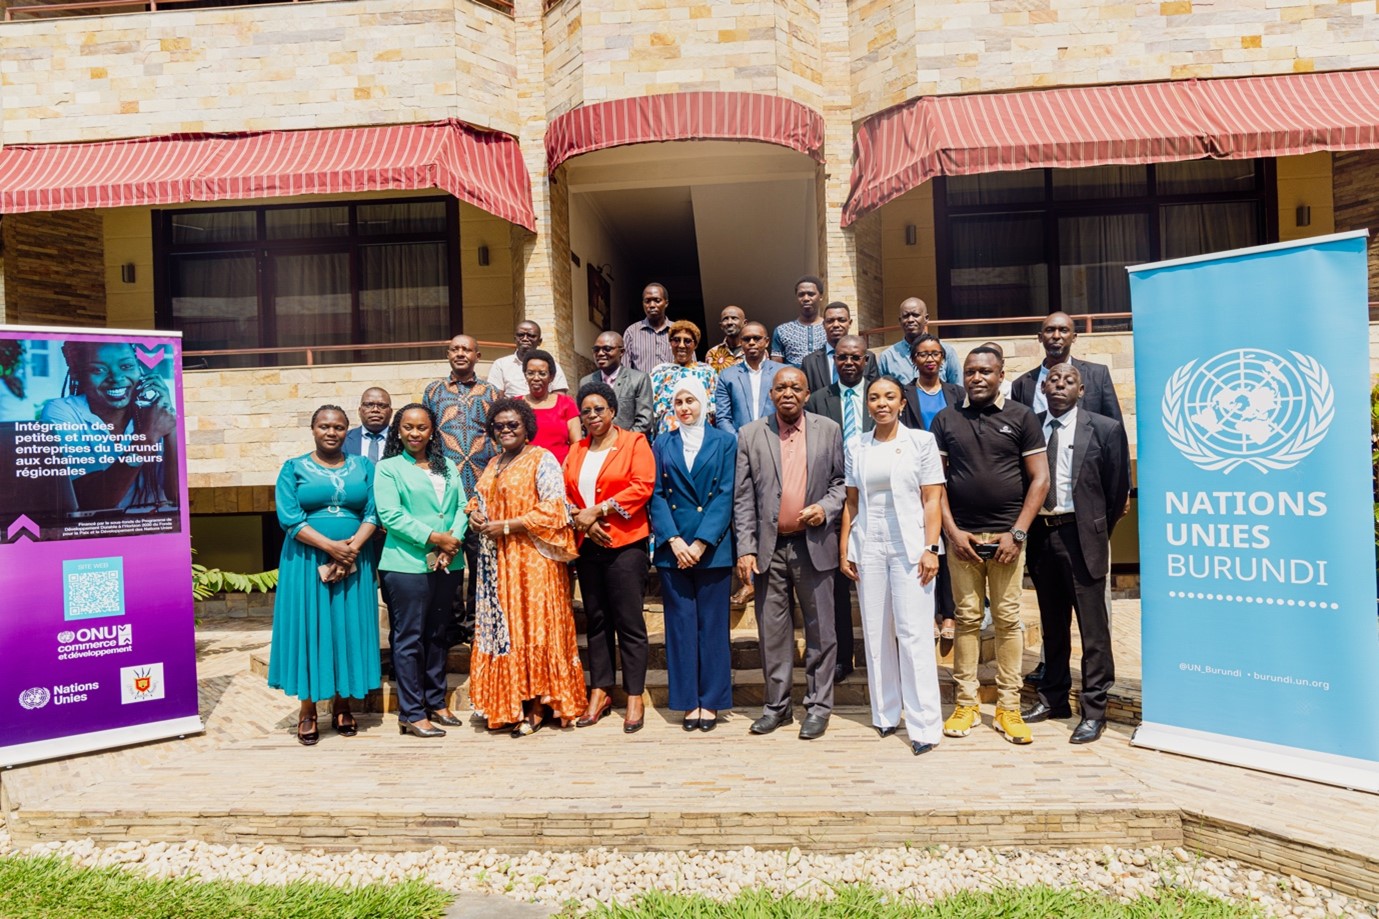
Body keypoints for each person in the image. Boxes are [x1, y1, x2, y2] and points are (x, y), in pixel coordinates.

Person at [931, 347, 1049, 745]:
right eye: (970, 372)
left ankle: (1008, 708)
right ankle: (965, 704)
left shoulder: (1022, 417)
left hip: (1006, 541)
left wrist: (1016, 534)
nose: (977, 377)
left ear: (1001, 374)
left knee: (1006, 620)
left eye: (985, 371)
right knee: (965, 621)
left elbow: (1040, 480)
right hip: (962, 540)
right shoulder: (946, 419)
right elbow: (935, 485)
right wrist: (952, 532)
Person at [1021, 363, 1130, 745]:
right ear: (1044, 387)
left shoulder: (1104, 428)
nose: (1060, 385)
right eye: (1053, 380)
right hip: (1042, 538)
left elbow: (1117, 491)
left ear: (1081, 390)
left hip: (1083, 537)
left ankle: (1094, 710)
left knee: (1093, 631)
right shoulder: (1030, 426)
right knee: (1052, 625)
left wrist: (1097, 528)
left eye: (1068, 381)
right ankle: (1053, 699)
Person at [735, 367, 845, 740]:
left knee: (821, 631)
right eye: (780, 387)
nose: (787, 393)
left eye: (795, 387)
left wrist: (826, 509)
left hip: (813, 545)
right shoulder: (751, 434)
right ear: (770, 394)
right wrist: (746, 548)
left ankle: (818, 707)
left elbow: (841, 483)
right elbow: (743, 498)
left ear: (807, 393)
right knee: (773, 633)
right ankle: (777, 707)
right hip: (769, 549)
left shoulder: (828, 430)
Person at [838, 376, 946, 756]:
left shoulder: (921, 442)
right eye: (873, 397)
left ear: (902, 402)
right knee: (876, 629)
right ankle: (885, 714)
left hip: (911, 545)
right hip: (869, 543)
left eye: (889, 397)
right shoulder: (856, 445)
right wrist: (845, 548)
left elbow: (932, 499)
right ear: (866, 404)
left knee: (913, 632)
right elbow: (852, 503)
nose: (880, 403)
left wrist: (931, 548)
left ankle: (925, 725)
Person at [467, 399, 587, 735]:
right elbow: (480, 498)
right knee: (510, 631)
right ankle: (513, 701)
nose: (506, 430)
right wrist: (475, 514)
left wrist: (508, 525)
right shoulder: (493, 463)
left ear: (526, 428)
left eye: (513, 425)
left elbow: (555, 508)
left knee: (536, 627)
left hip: (534, 559)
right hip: (500, 562)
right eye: (500, 426)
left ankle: (538, 704)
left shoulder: (541, 459)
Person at [267, 405, 380, 746]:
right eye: (324, 426)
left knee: (347, 627)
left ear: (348, 431)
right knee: (309, 628)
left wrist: (351, 549)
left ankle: (344, 705)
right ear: (313, 429)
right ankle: (308, 709)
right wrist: (332, 547)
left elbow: (373, 511)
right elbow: (289, 517)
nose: (332, 433)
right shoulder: (293, 468)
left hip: (355, 559)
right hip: (305, 560)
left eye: (339, 427)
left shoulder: (364, 466)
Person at [563, 381, 656, 733]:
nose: (592, 415)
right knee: (598, 621)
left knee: (629, 622)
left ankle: (634, 695)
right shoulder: (577, 450)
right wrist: (583, 522)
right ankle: (600, 691)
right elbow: (565, 492)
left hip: (626, 545)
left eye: (599, 409)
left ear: (613, 411)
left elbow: (641, 486)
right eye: (586, 411)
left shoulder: (633, 442)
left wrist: (598, 511)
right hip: (588, 545)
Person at [373, 403, 467, 738]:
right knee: (409, 638)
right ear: (399, 430)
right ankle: (411, 713)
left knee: (438, 635)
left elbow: (461, 507)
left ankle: (435, 702)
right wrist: (434, 539)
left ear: (432, 431)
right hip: (406, 564)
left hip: (447, 563)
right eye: (408, 427)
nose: (415, 434)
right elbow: (391, 515)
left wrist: (452, 540)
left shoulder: (449, 467)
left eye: (422, 428)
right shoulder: (388, 469)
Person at [649, 377, 737, 733]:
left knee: (712, 627)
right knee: (681, 628)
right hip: (675, 551)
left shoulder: (725, 442)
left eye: (691, 400)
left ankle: (712, 701)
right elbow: (655, 494)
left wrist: (701, 542)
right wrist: (672, 540)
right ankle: (688, 702)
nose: (685, 407)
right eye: (679, 402)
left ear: (704, 403)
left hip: (712, 548)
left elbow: (726, 493)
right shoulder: (662, 442)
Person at [803, 334, 875, 682]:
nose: (848, 363)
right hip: (833, 500)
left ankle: (880, 660)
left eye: (855, 357)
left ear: (866, 360)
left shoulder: (879, 396)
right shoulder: (818, 399)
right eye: (842, 357)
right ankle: (843, 658)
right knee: (836, 589)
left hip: (874, 500)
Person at [423, 334, 502, 642]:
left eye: (466, 349)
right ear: (447, 354)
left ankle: (476, 625)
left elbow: (499, 437)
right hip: (446, 493)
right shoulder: (433, 391)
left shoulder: (491, 392)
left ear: (477, 356)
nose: (460, 353)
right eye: (455, 349)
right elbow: (428, 438)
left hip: (481, 492)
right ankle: (452, 625)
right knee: (449, 561)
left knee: (481, 563)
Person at [43, 340, 178, 513]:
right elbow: (92, 501)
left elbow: (176, 496)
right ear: (78, 373)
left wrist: (170, 426)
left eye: (127, 366)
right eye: (98, 369)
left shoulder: (155, 412)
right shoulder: (62, 411)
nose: (116, 378)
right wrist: (147, 438)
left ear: (140, 370)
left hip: (153, 531)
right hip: (94, 534)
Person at [898, 332, 966, 641]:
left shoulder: (956, 393)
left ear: (943, 358)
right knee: (926, 543)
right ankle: (929, 611)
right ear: (913, 360)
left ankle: (949, 613)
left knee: (949, 542)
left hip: (952, 474)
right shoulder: (904, 394)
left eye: (935, 353)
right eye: (923, 354)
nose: (929, 358)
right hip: (917, 477)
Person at [1010, 311, 1122, 423]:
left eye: (1063, 330)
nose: (1056, 336)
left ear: (1074, 337)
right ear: (1040, 337)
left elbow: (1114, 426)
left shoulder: (1097, 375)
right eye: (1050, 330)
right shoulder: (1021, 384)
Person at [649, 320, 718, 436]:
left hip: (700, 436)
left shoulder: (707, 372)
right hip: (667, 437)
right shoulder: (658, 372)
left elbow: (715, 410)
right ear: (670, 343)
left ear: (695, 345)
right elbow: (650, 411)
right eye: (676, 340)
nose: (681, 345)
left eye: (687, 341)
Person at [712, 321, 783, 435]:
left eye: (757, 338)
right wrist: (739, 443)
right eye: (746, 339)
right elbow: (723, 418)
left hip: (777, 442)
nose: (751, 343)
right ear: (741, 343)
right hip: (741, 445)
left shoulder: (781, 372)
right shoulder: (727, 376)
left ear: (767, 342)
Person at [578, 331, 653, 435]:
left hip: (627, 446)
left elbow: (644, 421)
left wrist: (621, 442)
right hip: (596, 447)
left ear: (621, 352)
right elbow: (582, 420)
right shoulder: (586, 382)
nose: (600, 353)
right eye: (596, 349)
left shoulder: (639, 379)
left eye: (607, 349)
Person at [876, 298, 960, 386]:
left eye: (915, 315)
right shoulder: (888, 357)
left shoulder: (946, 351)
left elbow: (957, 389)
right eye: (906, 316)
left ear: (926, 318)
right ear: (900, 321)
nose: (910, 320)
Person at [520, 349, 581, 465]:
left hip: (560, 472)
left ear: (551, 377)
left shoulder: (566, 403)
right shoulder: (515, 405)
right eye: (530, 373)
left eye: (542, 373)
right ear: (525, 375)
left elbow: (577, 444)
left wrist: (567, 467)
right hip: (524, 474)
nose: (536, 378)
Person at [801, 302, 878, 393]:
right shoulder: (810, 362)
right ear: (824, 325)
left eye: (841, 320)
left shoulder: (867, 357)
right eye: (830, 321)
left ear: (849, 323)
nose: (836, 325)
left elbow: (875, 391)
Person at [487, 321, 570, 398]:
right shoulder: (501, 364)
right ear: (515, 339)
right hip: (512, 411)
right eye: (520, 335)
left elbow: (560, 397)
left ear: (539, 341)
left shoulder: (552, 365)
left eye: (531, 336)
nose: (525, 339)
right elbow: (496, 397)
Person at [770, 275, 828, 367]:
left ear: (821, 296)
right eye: (801, 294)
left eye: (811, 294)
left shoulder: (831, 329)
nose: (806, 298)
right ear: (796, 298)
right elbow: (775, 367)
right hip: (792, 380)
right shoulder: (782, 330)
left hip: (824, 381)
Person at [623, 282, 675, 372]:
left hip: (674, 385)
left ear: (666, 303)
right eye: (647, 301)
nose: (652, 305)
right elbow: (624, 370)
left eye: (657, 300)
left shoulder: (680, 331)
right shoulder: (631, 332)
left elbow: (691, 366)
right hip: (641, 386)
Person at [344, 387, 392, 462]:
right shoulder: (343, 439)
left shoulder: (402, 440)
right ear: (359, 411)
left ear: (391, 412)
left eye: (382, 405)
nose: (375, 410)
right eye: (369, 405)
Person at [704, 304, 747, 372]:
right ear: (721, 326)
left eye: (734, 318)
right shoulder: (712, 353)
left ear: (744, 323)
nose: (729, 322)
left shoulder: (755, 350)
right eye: (725, 319)